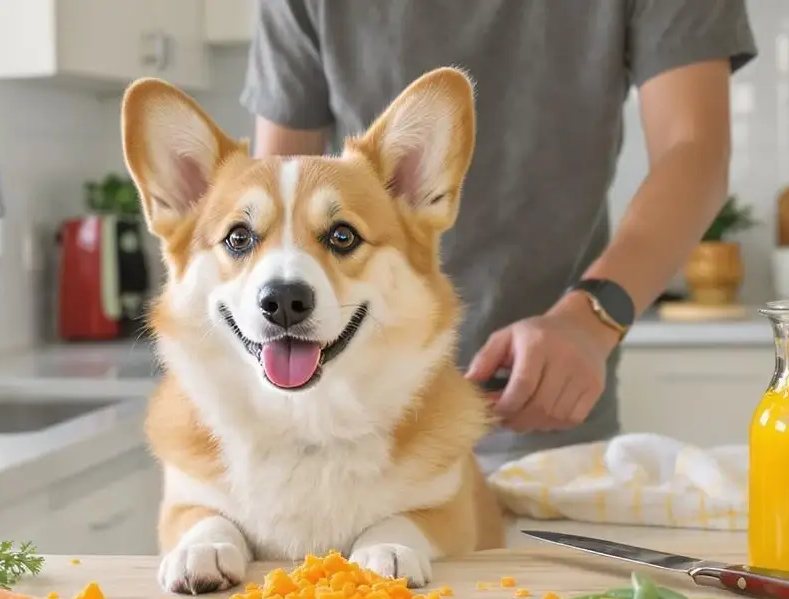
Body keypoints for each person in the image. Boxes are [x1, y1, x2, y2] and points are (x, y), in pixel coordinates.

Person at [240, 0, 757, 469]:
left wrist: (589, 320)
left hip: (543, 418)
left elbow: (694, 148)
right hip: (352, 434)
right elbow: (280, 185)